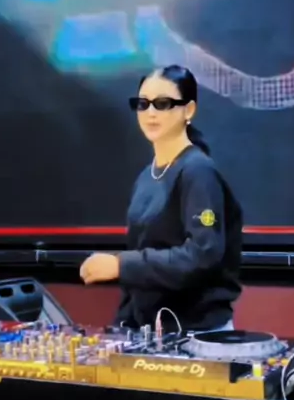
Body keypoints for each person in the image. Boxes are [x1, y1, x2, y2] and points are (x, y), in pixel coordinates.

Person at [80, 64, 242, 332]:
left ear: (188, 110)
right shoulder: (147, 176)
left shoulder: (198, 171)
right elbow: (142, 265)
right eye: (143, 104)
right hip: (151, 332)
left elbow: (202, 255)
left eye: (163, 104)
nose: (150, 113)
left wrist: (121, 265)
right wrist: (121, 327)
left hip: (197, 333)